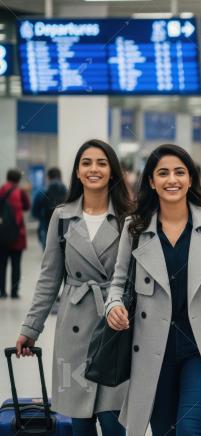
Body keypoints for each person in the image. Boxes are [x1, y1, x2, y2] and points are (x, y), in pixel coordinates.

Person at [105, 144, 201, 436]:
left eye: (179, 172)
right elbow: (118, 282)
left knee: (190, 429)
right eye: (163, 173)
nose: (171, 179)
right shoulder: (135, 228)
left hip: (200, 350)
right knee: (165, 431)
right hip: (152, 351)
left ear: (190, 179)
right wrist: (113, 305)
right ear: (151, 181)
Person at [16, 140, 133, 436]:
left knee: (113, 420)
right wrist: (31, 328)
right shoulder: (63, 217)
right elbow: (48, 278)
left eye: (101, 163)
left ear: (112, 172)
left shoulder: (128, 219)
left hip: (115, 328)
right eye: (86, 163)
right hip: (74, 327)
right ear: (78, 172)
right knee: (79, 423)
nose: (94, 169)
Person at [0, 168, 30, 299]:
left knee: (2, 264)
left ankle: (2, 291)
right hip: (18, 233)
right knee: (16, 265)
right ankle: (14, 292)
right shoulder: (20, 192)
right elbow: (27, 206)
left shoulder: (1, 190)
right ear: (18, 179)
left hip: (2, 233)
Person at [31, 167, 68, 249]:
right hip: (65, 228)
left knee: (48, 254)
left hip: (45, 226)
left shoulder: (42, 191)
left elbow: (34, 211)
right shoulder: (68, 191)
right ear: (60, 176)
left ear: (48, 177)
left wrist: (41, 217)